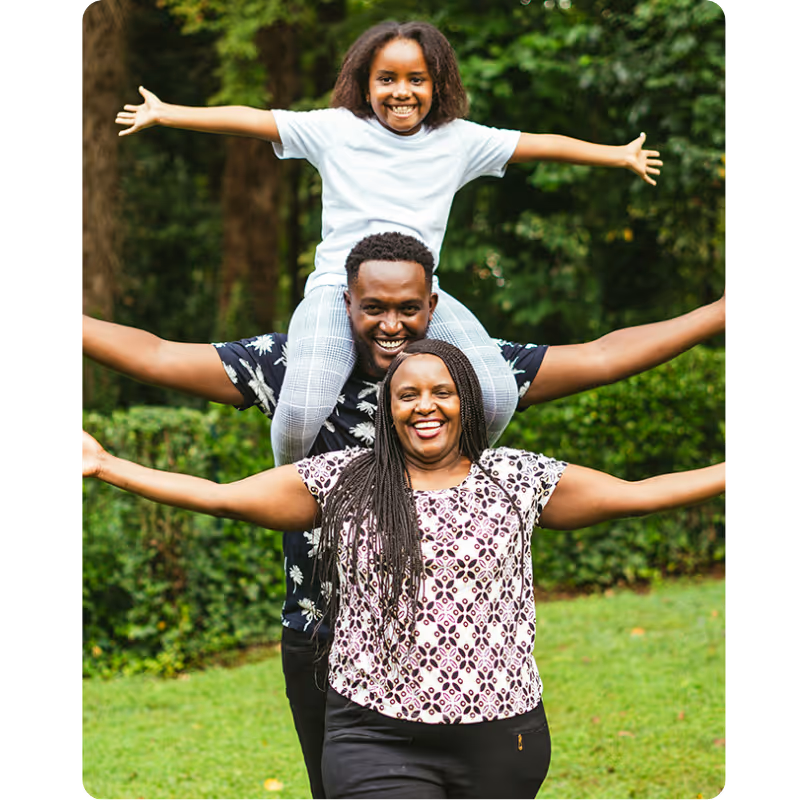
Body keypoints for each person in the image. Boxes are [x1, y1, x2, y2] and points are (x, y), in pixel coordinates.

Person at [83, 231, 725, 800]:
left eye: (408, 308)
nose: (392, 323)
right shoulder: (295, 373)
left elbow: (605, 357)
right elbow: (162, 361)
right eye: (375, 308)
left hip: (479, 683)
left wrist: (722, 314)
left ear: (432, 308)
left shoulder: (471, 381)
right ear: (347, 306)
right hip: (326, 636)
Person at [114, 20, 664, 467]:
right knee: (304, 402)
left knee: (494, 393)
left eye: (417, 79)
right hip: (339, 290)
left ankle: (446, 489)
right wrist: (168, 113)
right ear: (365, 82)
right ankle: (289, 490)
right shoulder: (335, 129)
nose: (402, 92)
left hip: (424, 297)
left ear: (437, 84)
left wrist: (615, 154)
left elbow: (538, 145)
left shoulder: (459, 141)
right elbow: (253, 120)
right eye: (387, 79)